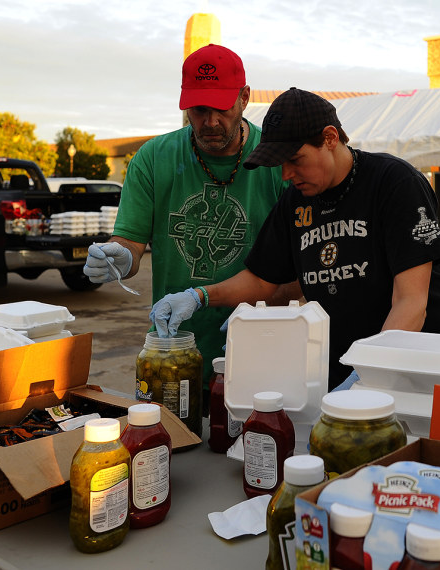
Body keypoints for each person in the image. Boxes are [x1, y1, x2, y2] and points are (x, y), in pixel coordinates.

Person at [149, 88, 440, 391]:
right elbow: (263, 280)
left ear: (329, 138)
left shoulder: (394, 183)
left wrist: (369, 375)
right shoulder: (296, 201)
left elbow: (411, 303)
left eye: (295, 160)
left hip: (431, 365)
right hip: (351, 365)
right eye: (281, 164)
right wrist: (199, 295)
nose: (286, 174)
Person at [83, 44, 298, 400]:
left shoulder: (278, 163)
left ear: (244, 98)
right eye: (199, 109)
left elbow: (298, 273)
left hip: (259, 354)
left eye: (222, 108)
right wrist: (119, 255)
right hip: (171, 350)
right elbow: (131, 244)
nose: (210, 121)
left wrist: (261, 310)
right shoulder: (153, 158)